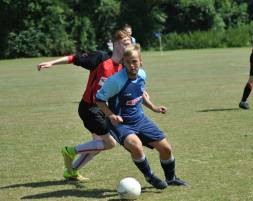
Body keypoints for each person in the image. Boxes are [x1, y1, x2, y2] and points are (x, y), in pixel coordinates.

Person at [37, 30, 132, 181]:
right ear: (115, 45)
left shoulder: (124, 66)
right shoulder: (100, 58)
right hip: (89, 108)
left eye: (130, 43)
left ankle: (71, 172)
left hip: (103, 109)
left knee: (97, 146)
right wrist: (51, 62)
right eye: (126, 43)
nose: (129, 46)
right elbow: (74, 58)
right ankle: (70, 151)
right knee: (109, 143)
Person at [96, 44, 187, 189]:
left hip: (140, 119)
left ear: (141, 62)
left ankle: (171, 178)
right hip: (121, 124)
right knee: (136, 145)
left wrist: (154, 107)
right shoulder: (115, 81)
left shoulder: (142, 75)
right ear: (123, 63)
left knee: (166, 149)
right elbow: (99, 100)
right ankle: (150, 176)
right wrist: (111, 115)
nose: (131, 65)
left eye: (134, 61)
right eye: (128, 62)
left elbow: (140, 93)